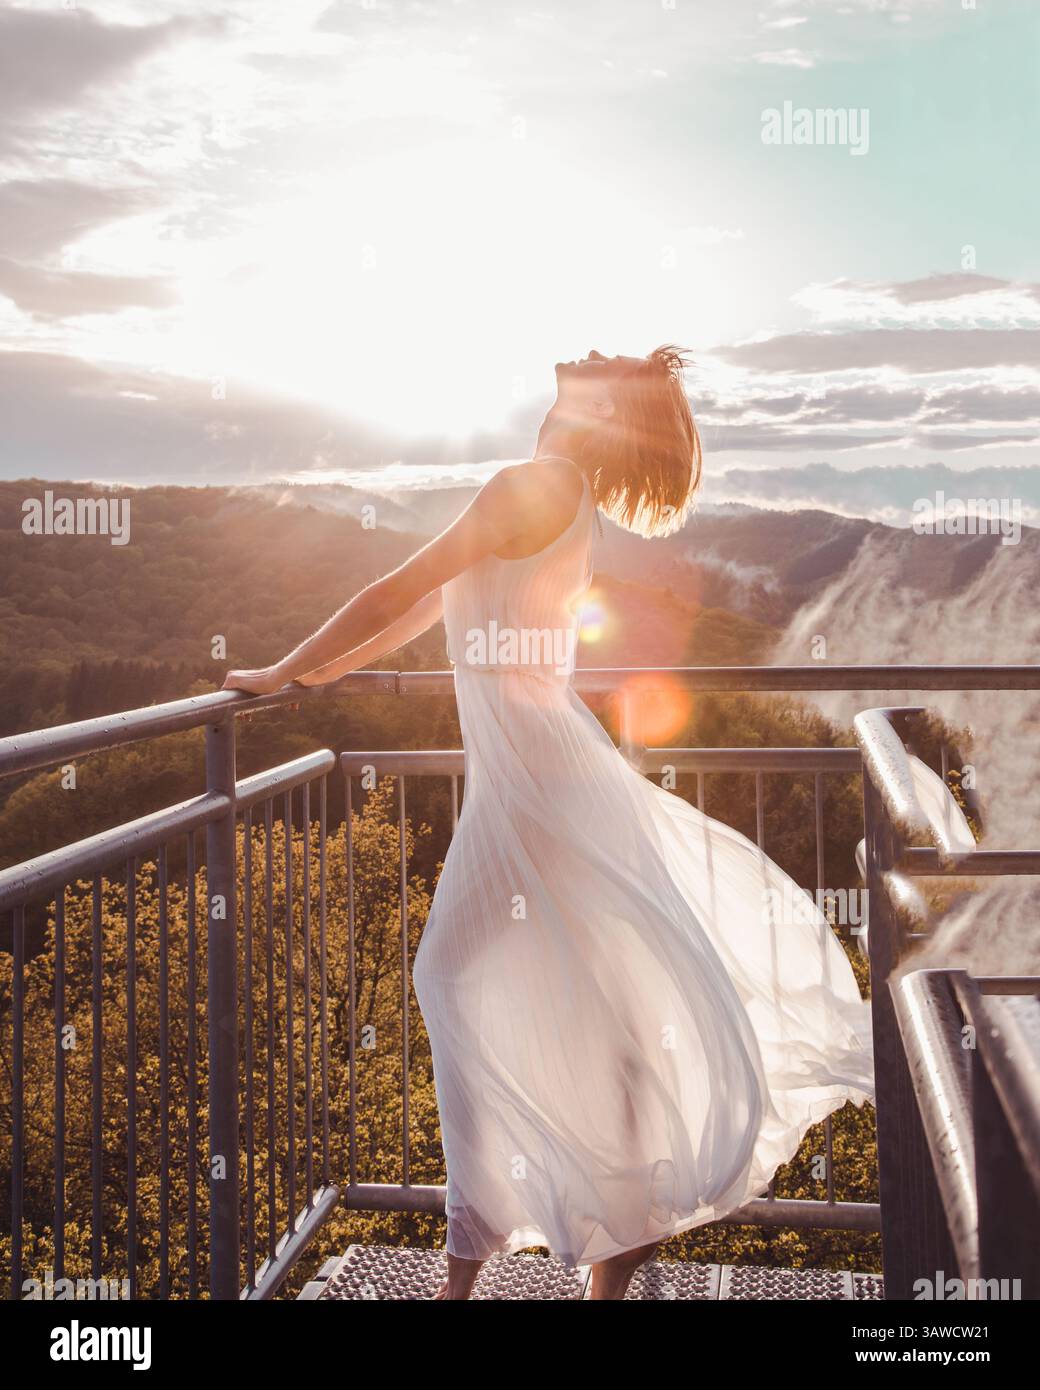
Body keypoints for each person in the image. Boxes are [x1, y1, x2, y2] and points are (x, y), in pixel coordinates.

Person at [224, 347, 874, 1300]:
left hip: (539, 790)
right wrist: (317, 674)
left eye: (609, 362)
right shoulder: (564, 494)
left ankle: (469, 1278)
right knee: (603, 1021)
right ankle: (569, 1270)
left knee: (458, 978)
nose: (591, 351)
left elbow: (392, 590)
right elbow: (425, 612)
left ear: (604, 405)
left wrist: (279, 674)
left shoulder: (527, 484)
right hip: (545, 783)